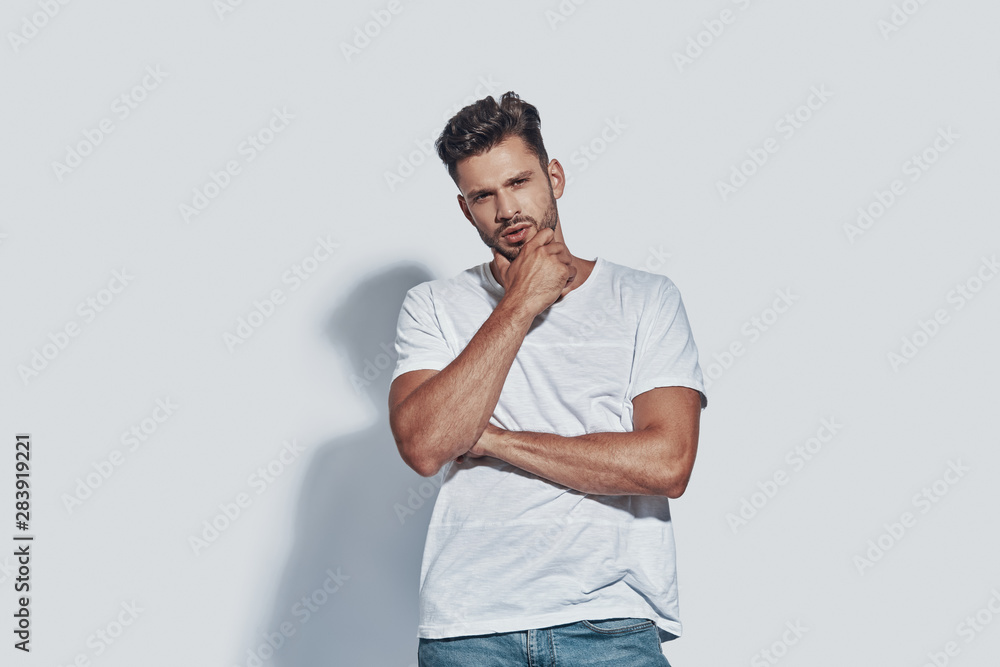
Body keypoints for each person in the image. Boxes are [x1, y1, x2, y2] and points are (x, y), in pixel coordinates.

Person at [388, 91, 707, 667]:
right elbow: (426, 446)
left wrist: (490, 439)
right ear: (465, 209)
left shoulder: (645, 298)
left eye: (519, 182)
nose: (507, 208)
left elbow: (666, 464)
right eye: (483, 195)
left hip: (610, 624)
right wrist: (521, 303)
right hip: (470, 628)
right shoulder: (432, 305)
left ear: (554, 177)